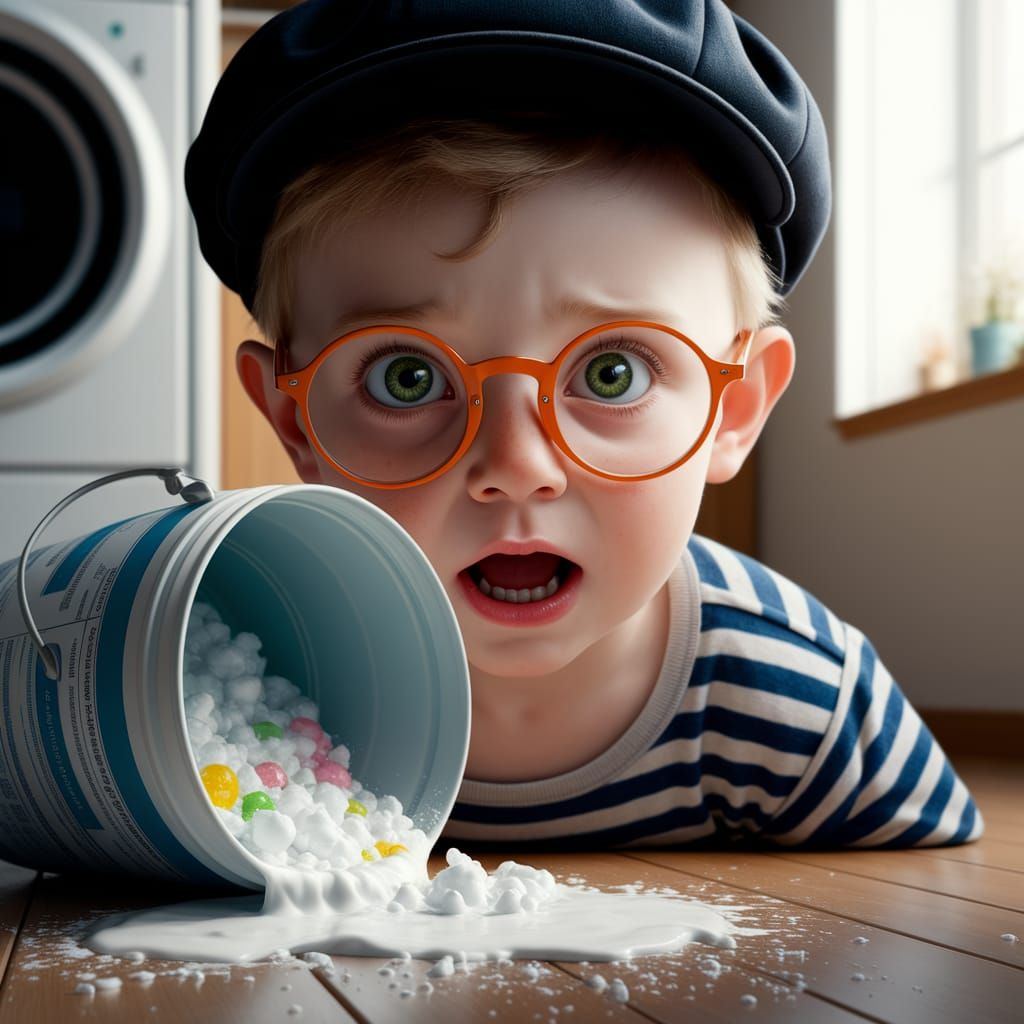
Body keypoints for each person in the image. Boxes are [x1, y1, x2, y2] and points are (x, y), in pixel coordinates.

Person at [185, 0, 981, 850]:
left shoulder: (804, 703)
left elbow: (946, 918)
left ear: (733, 408)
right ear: (294, 421)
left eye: (612, 372)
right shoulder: (237, 673)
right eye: (407, 378)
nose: (516, 465)